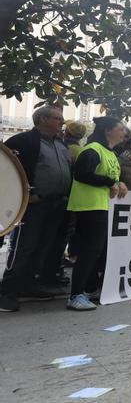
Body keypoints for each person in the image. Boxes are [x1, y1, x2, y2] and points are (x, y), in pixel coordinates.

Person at [0, 106, 72, 312]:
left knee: (43, 245)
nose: (62, 122)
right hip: (33, 205)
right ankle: (8, 291)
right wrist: (23, 195)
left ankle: (28, 284)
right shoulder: (22, 141)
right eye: (57, 118)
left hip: (57, 204)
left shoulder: (60, 143)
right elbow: (6, 170)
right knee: (25, 246)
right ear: (42, 119)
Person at [66, 116, 128, 311]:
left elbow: (113, 176)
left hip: (100, 206)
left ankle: (84, 290)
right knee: (89, 251)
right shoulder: (92, 150)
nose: (123, 133)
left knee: (95, 252)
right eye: (120, 129)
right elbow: (81, 173)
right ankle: (76, 295)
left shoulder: (109, 152)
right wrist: (110, 182)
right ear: (107, 130)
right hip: (88, 207)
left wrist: (119, 182)